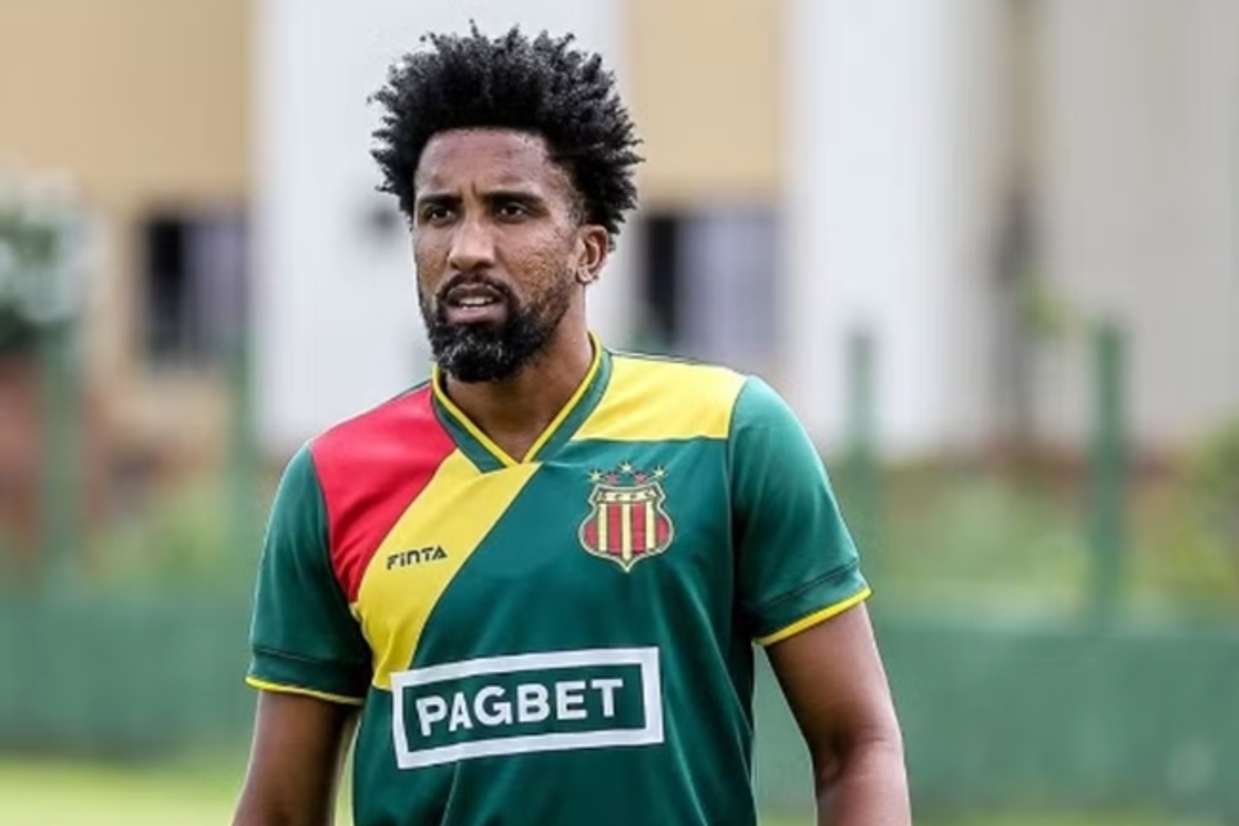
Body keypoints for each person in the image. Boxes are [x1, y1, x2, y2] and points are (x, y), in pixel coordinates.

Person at [232, 25, 910, 826]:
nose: (467, 248)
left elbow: (855, 746)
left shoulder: (728, 435)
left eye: (510, 209)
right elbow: (280, 809)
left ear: (590, 249)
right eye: (439, 213)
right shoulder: (332, 479)